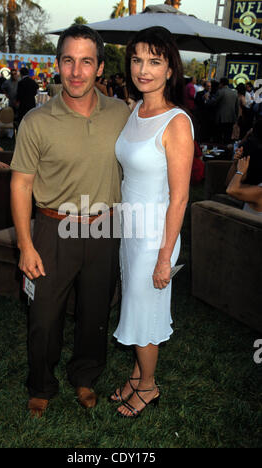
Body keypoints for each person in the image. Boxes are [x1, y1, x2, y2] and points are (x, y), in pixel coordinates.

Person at [10, 24, 130, 418]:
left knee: (96, 312)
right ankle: (41, 384)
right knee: (43, 315)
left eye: (86, 62)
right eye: (68, 61)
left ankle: (85, 376)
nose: (76, 72)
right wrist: (25, 245)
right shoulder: (36, 121)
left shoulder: (122, 115)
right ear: (58, 64)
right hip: (51, 229)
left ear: (99, 68)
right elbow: (21, 183)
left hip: (103, 228)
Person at [110, 26, 194, 417]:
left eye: (154, 61)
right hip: (131, 230)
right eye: (138, 60)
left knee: (145, 308)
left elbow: (180, 197)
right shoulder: (136, 110)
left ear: (169, 69)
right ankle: (136, 373)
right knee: (135, 303)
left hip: (155, 238)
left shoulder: (176, 122)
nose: (144, 69)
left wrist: (164, 257)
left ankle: (148, 386)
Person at [226, 152, 262, 216]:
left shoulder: (259, 192)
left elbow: (231, 190)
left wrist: (240, 171)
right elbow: (230, 184)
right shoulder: (258, 188)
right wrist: (235, 164)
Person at [207, 77, 239, 144]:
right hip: (231, 118)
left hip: (221, 119)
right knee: (227, 138)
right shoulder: (234, 93)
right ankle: (226, 151)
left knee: (218, 137)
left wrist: (207, 99)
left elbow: (212, 102)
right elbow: (237, 108)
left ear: (221, 84)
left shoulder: (220, 92)